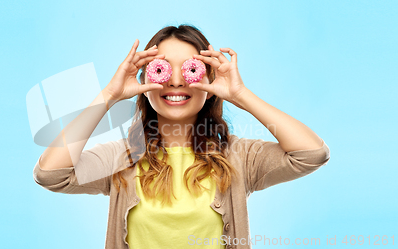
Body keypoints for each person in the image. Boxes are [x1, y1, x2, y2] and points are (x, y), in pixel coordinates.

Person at [33, 24, 330, 249]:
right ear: (145, 80)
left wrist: (241, 95)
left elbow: (310, 154)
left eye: (190, 70)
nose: (175, 81)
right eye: (161, 69)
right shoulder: (120, 159)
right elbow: (51, 174)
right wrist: (108, 96)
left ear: (211, 80)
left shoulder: (239, 158)